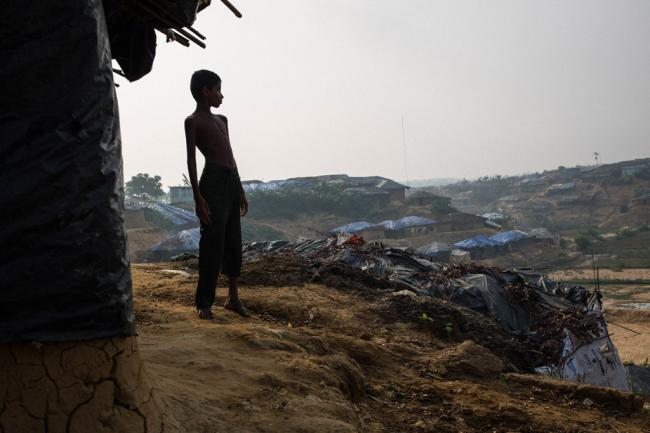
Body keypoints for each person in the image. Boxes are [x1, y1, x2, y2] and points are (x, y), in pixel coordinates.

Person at [185, 70, 249, 320]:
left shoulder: (222, 120)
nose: (222, 95)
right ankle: (204, 302)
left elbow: (231, 155)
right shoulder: (193, 121)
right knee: (212, 242)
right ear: (205, 92)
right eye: (218, 90)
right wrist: (197, 197)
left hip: (230, 180)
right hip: (212, 181)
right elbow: (191, 160)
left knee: (233, 240)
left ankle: (233, 298)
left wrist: (239, 188)